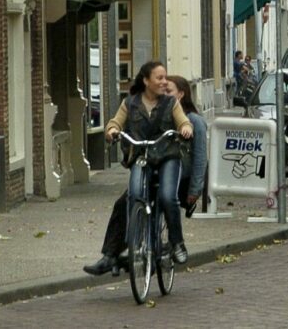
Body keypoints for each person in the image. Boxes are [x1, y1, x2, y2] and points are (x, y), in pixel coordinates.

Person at [84, 61, 193, 276]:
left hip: (167, 157)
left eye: (165, 78)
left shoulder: (171, 103)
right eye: (159, 78)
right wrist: (112, 131)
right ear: (146, 81)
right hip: (141, 157)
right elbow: (115, 122)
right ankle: (112, 254)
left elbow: (183, 122)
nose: (164, 82)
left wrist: (186, 128)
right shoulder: (130, 103)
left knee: (167, 196)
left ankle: (177, 242)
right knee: (130, 199)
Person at [166, 75, 209, 217]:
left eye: (168, 91)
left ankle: (174, 238)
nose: (164, 95)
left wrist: (194, 190)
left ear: (181, 94)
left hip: (180, 179)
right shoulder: (158, 117)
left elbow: (200, 157)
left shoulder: (195, 121)